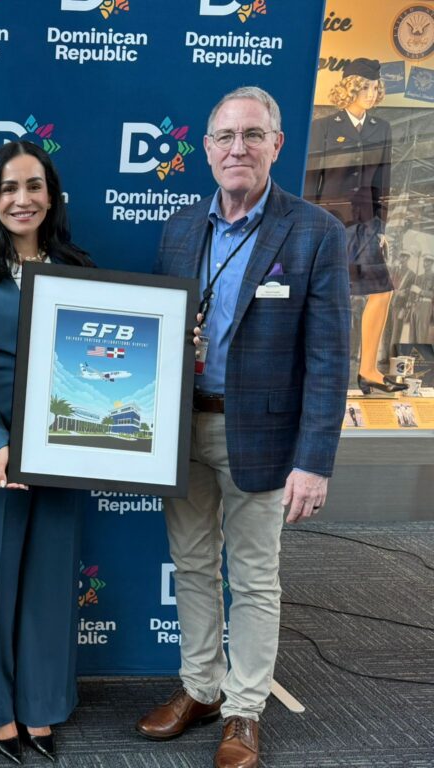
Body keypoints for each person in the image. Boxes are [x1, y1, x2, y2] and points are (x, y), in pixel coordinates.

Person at [136, 87, 349, 768]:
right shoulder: (178, 229)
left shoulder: (315, 231)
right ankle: (201, 689)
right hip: (181, 430)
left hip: (262, 438)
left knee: (254, 579)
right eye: (225, 136)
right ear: (206, 149)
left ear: (276, 145)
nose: (238, 148)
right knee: (193, 566)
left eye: (253, 135)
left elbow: (329, 358)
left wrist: (314, 461)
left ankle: (244, 709)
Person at [0, 140, 93, 764]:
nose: (22, 199)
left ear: (51, 197)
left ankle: (41, 703)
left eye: (34, 186)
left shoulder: (79, 268)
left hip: (63, 449)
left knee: (50, 584)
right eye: (8, 187)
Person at [306, 59, 400, 393]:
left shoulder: (381, 128)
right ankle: (325, 369)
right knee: (332, 297)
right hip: (330, 224)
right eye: (364, 87)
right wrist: (309, 225)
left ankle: (369, 369)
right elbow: (311, 180)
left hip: (365, 224)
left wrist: (381, 227)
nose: (371, 94)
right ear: (349, 88)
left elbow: (383, 181)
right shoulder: (323, 127)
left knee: (382, 292)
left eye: (375, 88)